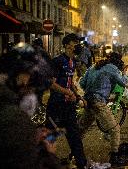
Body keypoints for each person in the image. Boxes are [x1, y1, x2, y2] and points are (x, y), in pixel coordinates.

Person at [0, 42, 62, 168]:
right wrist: (48, 155)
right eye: (33, 88)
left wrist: (28, 136)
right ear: (23, 76)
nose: (32, 95)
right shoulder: (13, 120)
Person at [46, 33, 88, 169]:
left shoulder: (73, 62)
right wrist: (67, 92)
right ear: (66, 45)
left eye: (77, 43)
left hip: (69, 106)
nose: (77, 46)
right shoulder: (57, 61)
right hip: (56, 106)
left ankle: (82, 163)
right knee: (50, 137)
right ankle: (44, 162)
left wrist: (78, 95)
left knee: (74, 136)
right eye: (74, 43)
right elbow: (51, 84)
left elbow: (70, 83)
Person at [79, 52, 128, 166]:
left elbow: (82, 83)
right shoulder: (113, 69)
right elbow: (123, 82)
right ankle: (114, 157)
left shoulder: (94, 66)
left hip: (88, 101)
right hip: (98, 102)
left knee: (81, 129)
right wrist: (124, 72)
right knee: (115, 129)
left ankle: (75, 153)